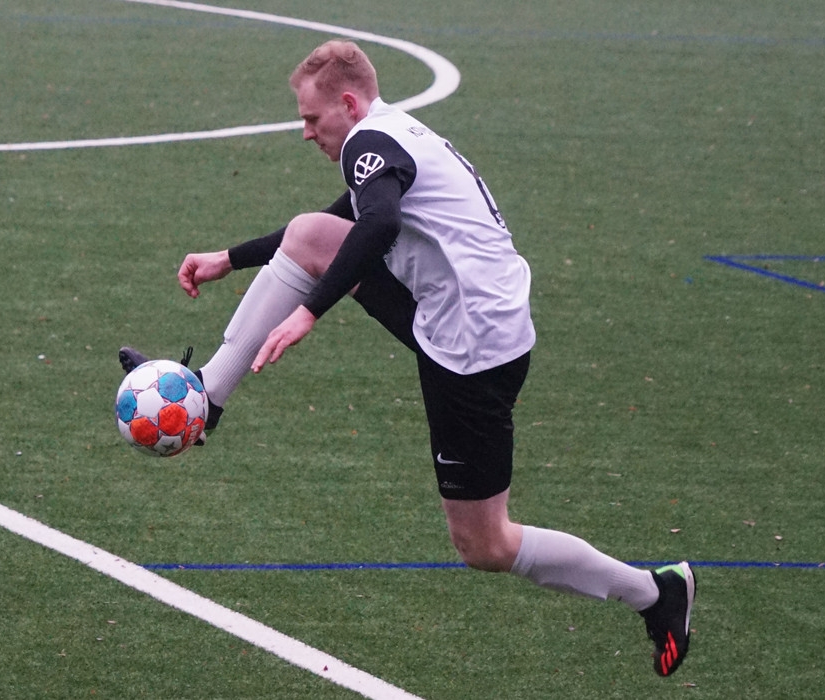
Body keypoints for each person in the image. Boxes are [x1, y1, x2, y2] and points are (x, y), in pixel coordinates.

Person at [120, 39, 695, 677]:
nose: (306, 132)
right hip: (464, 320)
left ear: (348, 104)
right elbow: (340, 222)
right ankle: (206, 396)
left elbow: (380, 227)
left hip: (472, 351)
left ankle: (655, 592)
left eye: (311, 119)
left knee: (485, 542)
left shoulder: (369, 142)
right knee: (310, 234)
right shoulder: (388, 134)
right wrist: (230, 259)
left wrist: (309, 312)